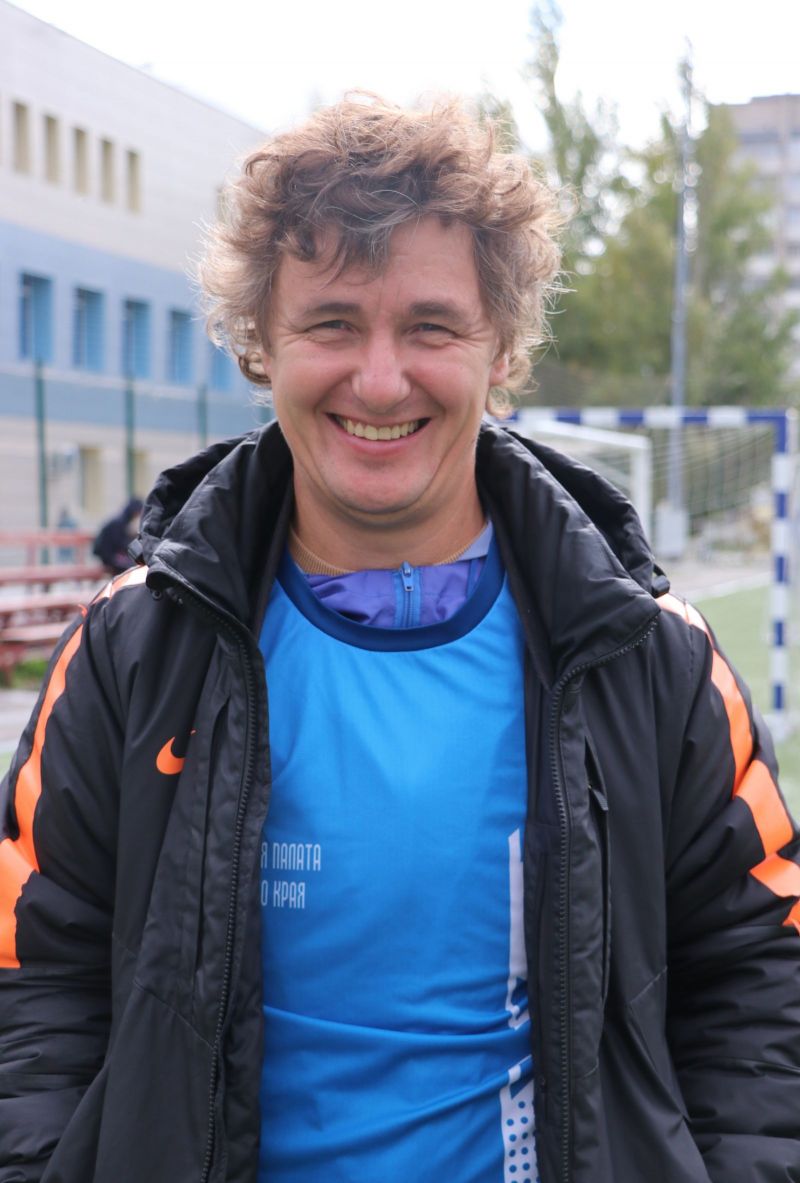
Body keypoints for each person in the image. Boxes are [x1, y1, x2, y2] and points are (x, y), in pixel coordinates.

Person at [1, 94, 798, 1183]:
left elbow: (759, 982)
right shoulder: (134, 650)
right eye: (332, 323)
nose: (380, 380)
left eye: (431, 326)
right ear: (259, 343)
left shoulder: (646, 657)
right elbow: (32, 984)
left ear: (501, 347)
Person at [91, 497, 143, 574]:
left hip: (114, 555)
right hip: (108, 557)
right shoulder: (118, 524)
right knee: (130, 566)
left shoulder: (123, 521)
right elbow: (119, 545)